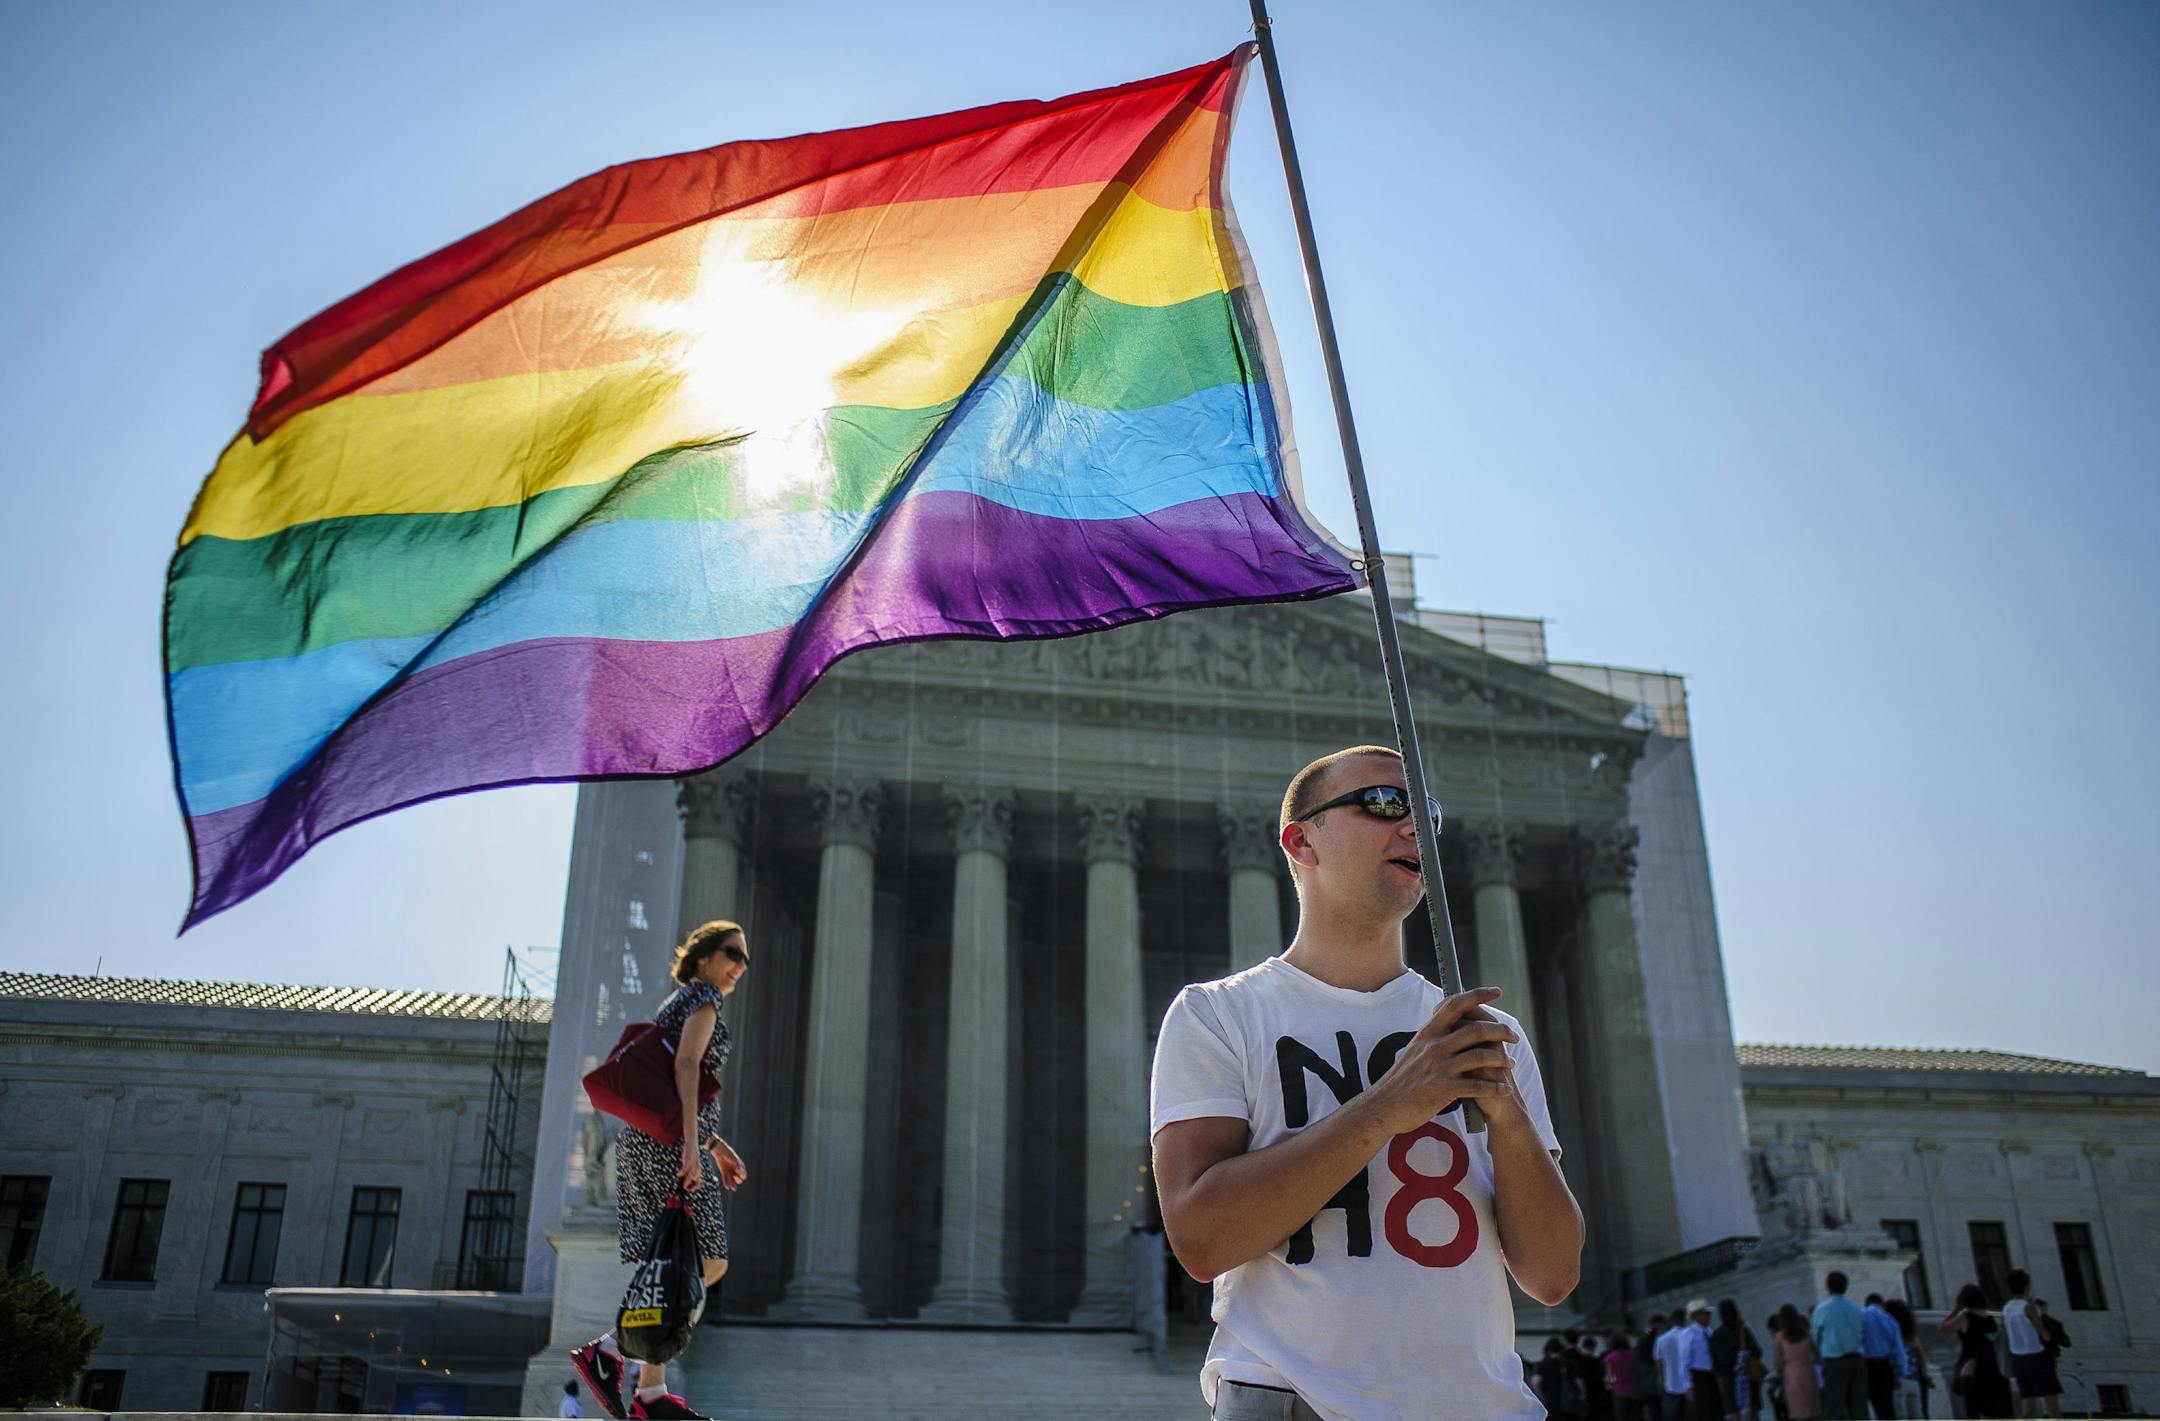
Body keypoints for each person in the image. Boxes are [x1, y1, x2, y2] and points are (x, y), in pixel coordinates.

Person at [1151, 746, 1583, 1420]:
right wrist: (1390, 1103)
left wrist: (1509, 1116)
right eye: (1385, 803)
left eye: (1428, 814)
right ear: (1302, 840)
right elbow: (1202, 1239)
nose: (1414, 826)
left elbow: (1553, 1275)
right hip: (1295, 1403)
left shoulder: (1483, 1033)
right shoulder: (1217, 1016)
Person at [570, 921, 752, 1421]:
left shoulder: (675, 1004)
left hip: (651, 1144)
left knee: (670, 1264)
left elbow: (667, 1087)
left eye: (745, 958)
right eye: (732, 953)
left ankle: (649, 1393)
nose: (740, 965)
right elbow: (686, 1068)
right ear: (702, 957)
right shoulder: (703, 1002)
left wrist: (713, 1145)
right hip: (672, 1150)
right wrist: (694, 1147)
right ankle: (611, 1350)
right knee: (707, 1262)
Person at [1939, 1283, 2014, 1418]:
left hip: (1971, 1363)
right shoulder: (1989, 1317)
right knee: (1993, 1402)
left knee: (1973, 1402)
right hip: (1992, 1363)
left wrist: (1955, 1310)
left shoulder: (1965, 1317)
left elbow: (1943, 1328)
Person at [2001, 1272, 2059, 1418]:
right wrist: (2044, 1313)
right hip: (2036, 1355)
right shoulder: (2028, 1307)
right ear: (2027, 1286)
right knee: (2051, 1401)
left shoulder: (2007, 1308)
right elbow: (2044, 1334)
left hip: (2018, 1358)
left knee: (2027, 1401)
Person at [1812, 1271, 1868, 1419]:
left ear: (1827, 1287)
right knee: (1859, 1406)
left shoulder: (1822, 1309)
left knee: (1834, 1406)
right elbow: (1864, 1334)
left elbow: (1815, 1337)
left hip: (1834, 1361)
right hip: (1857, 1360)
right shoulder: (1857, 1309)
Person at [1880, 1298, 1928, 1419]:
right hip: (1914, 1380)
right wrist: (1924, 1374)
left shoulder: (1890, 1336)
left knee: (1900, 1415)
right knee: (1918, 1415)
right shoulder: (1911, 1336)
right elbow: (1920, 1355)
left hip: (1898, 1381)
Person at [1861, 1293, 1904, 1419]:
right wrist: (1901, 1374)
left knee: (1873, 1405)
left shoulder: (1860, 1316)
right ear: (1882, 1304)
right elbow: (1898, 1350)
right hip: (1885, 1365)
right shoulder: (1889, 1320)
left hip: (1867, 1365)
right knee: (1887, 1405)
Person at [1776, 1304, 1822, 1421]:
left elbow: (1777, 1362)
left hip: (1791, 1377)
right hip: (1808, 1373)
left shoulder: (1780, 1337)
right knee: (1813, 1411)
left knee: (1798, 1413)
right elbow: (1817, 1355)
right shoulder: (1806, 1334)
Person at [1657, 1309, 1694, 1421]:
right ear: (1684, 1320)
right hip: (1690, 1387)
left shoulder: (1661, 1340)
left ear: (1671, 1321)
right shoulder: (1690, 1336)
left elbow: (1660, 1366)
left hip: (1670, 1386)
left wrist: (1660, 1384)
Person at [1540, 1337, 1586, 1420]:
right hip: (1568, 1403)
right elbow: (1578, 1382)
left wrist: (1542, 1397)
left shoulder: (1542, 1364)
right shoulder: (1569, 1363)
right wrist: (1582, 1395)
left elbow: (1536, 1381)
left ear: (1548, 1349)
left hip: (1550, 1402)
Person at [1605, 1330, 1641, 1421]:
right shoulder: (1633, 1355)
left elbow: (1609, 1378)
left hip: (1619, 1393)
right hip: (1635, 1392)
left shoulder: (1610, 1357)